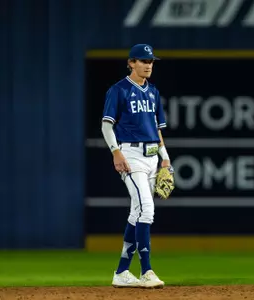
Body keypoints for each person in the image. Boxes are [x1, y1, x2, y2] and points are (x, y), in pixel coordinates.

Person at [101, 44, 171, 288]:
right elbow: (106, 125)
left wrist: (165, 158)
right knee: (147, 209)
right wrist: (116, 152)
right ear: (131, 63)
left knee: (137, 212)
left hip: (152, 156)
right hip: (131, 155)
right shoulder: (118, 90)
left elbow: (157, 129)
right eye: (143, 61)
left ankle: (121, 272)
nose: (148, 65)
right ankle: (147, 270)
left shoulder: (153, 92)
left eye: (151, 61)